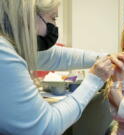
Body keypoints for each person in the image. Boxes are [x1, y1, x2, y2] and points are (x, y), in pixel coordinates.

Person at [0, 0, 115, 134]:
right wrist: (93, 80)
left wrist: (105, 57)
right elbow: (45, 128)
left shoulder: (11, 45)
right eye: (53, 18)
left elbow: (55, 56)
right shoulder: (3, 54)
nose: (54, 25)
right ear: (28, 16)